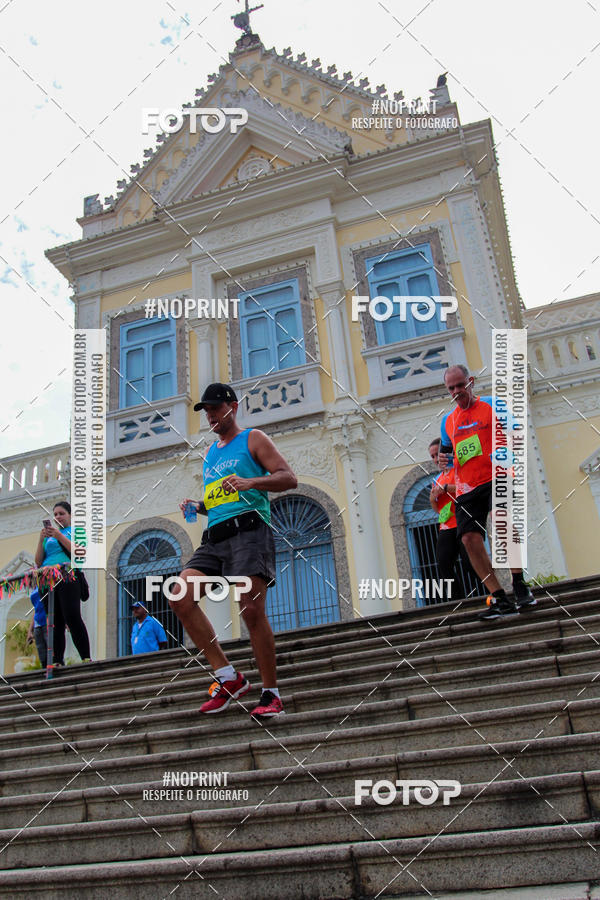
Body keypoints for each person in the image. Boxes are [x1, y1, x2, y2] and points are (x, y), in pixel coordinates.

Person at [170, 382, 297, 719]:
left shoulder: (253, 439)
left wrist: (252, 481)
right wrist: (198, 506)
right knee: (180, 597)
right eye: (206, 411)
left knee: (251, 610)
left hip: (250, 531)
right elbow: (221, 500)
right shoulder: (211, 454)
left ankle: (271, 694)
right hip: (215, 537)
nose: (211, 415)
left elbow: (288, 478)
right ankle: (228, 677)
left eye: (216, 408)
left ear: (233, 407)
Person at [439, 365, 536, 621]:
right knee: (469, 539)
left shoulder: (493, 404)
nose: (457, 391)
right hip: (467, 486)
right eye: (451, 388)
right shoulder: (448, 421)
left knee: (500, 519)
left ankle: (519, 583)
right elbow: (447, 455)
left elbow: (516, 433)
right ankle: (499, 598)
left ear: (470, 382)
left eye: (461, 385)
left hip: (498, 475)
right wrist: (443, 461)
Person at [34, 500, 91, 665]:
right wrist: (41, 539)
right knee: (54, 621)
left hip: (67, 576)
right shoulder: (48, 538)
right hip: (47, 579)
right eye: (55, 514)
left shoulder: (76, 531)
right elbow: (38, 561)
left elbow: (79, 552)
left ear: (70, 515)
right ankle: (57, 660)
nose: (58, 517)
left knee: (72, 616)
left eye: (62, 513)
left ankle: (85, 657)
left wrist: (59, 536)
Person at [428, 438, 475, 600]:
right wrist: (432, 499)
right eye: (432, 456)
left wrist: (447, 488)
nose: (436, 459)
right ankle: (457, 600)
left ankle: (492, 593)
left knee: (470, 563)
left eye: (437, 454)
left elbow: (469, 487)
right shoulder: (437, 479)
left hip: (464, 521)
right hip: (446, 526)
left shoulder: (459, 470)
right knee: (443, 563)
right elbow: (438, 509)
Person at [26, 587, 47, 667]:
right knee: (41, 650)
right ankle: (45, 669)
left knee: (51, 647)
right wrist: (30, 631)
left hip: (47, 621)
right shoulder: (34, 590)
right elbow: (36, 610)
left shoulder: (46, 585)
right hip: (37, 624)